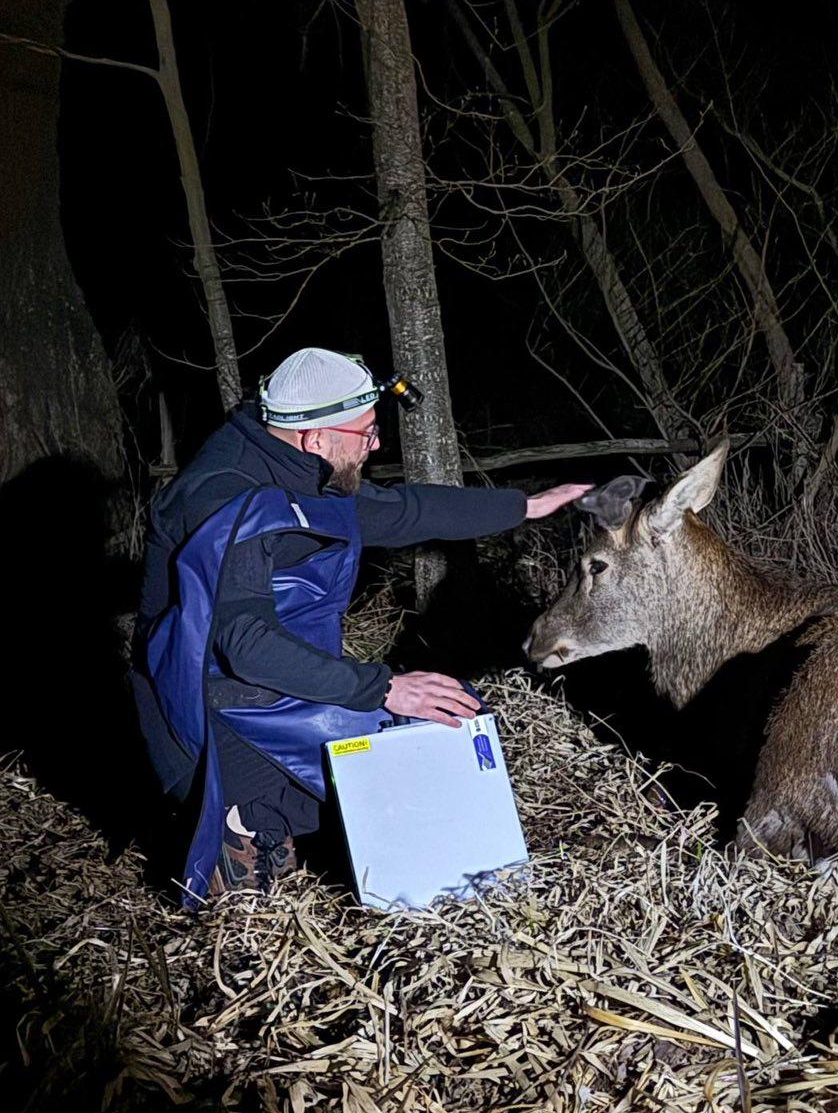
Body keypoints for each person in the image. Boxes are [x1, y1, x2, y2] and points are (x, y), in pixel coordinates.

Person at [132, 347, 590, 908]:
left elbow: (402, 511)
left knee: (443, 714)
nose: (376, 445)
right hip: (210, 700)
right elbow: (244, 645)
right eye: (367, 432)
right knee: (254, 884)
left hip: (275, 672)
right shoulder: (228, 496)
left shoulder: (293, 463)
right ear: (316, 438)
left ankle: (445, 883)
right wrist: (384, 686)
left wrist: (526, 506)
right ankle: (243, 839)